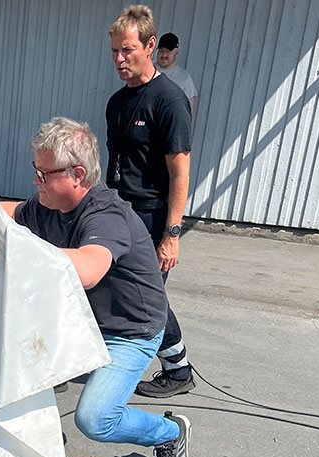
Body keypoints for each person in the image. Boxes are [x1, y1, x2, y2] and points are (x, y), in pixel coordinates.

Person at [0, 117, 191, 457]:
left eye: (43, 174)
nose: (35, 181)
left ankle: (169, 433)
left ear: (77, 174)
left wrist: (30, 255)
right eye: (35, 171)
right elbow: (8, 213)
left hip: (130, 331)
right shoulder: (48, 205)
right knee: (6, 350)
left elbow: (88, 268)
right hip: (84, 319)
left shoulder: (107, 214)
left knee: (96, 418)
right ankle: (32, 435)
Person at [105, 5, 195, 398]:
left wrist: (172, 234)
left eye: (127, 50)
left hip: (152, 215)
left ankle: (178, 369)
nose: (119, 59)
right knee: (107, 287)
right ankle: (106, 357)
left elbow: (180, 173)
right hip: (118, 210)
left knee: (146, 298)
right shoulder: (118, 103)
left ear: (150, 45)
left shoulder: (169, 101)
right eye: (114, 52)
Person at [155, 32, 198, 116]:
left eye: (168, 51)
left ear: (176, 51)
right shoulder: (146, 69)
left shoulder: (184, 78)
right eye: (161, 51)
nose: (164, 55)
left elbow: (188, 112)